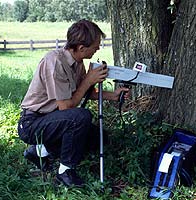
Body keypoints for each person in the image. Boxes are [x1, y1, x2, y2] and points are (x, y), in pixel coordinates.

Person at [17, 19, 130, 187]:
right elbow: (66, 106)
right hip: (32, 123)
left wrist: (113, 95)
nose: (98, 48)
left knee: (98, 138)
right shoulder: (54, 62)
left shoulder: (77, 63)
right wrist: (88, 80)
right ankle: (65, 171)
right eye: (96, 45)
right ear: (81, 48)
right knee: (80, 117)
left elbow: (86, 93)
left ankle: (40, 151)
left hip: (53, 119)